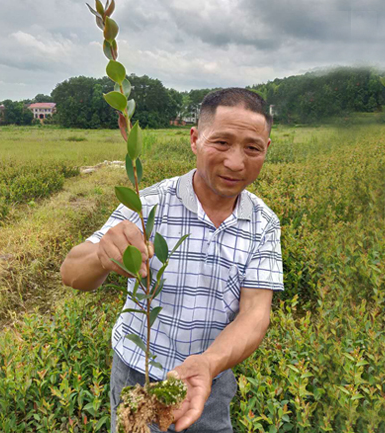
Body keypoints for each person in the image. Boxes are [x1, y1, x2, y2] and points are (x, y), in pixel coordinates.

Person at [60, 88, 284, 432]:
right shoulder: (147, 204)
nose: (236, 162)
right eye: (221, 143)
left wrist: (209, 364)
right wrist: (102, 256)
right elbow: (71, 272)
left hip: (209, 380)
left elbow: (255, 313)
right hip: (136, 373)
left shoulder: (263, 223)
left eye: (252, 148)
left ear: (266, 150)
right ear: (195, 139)